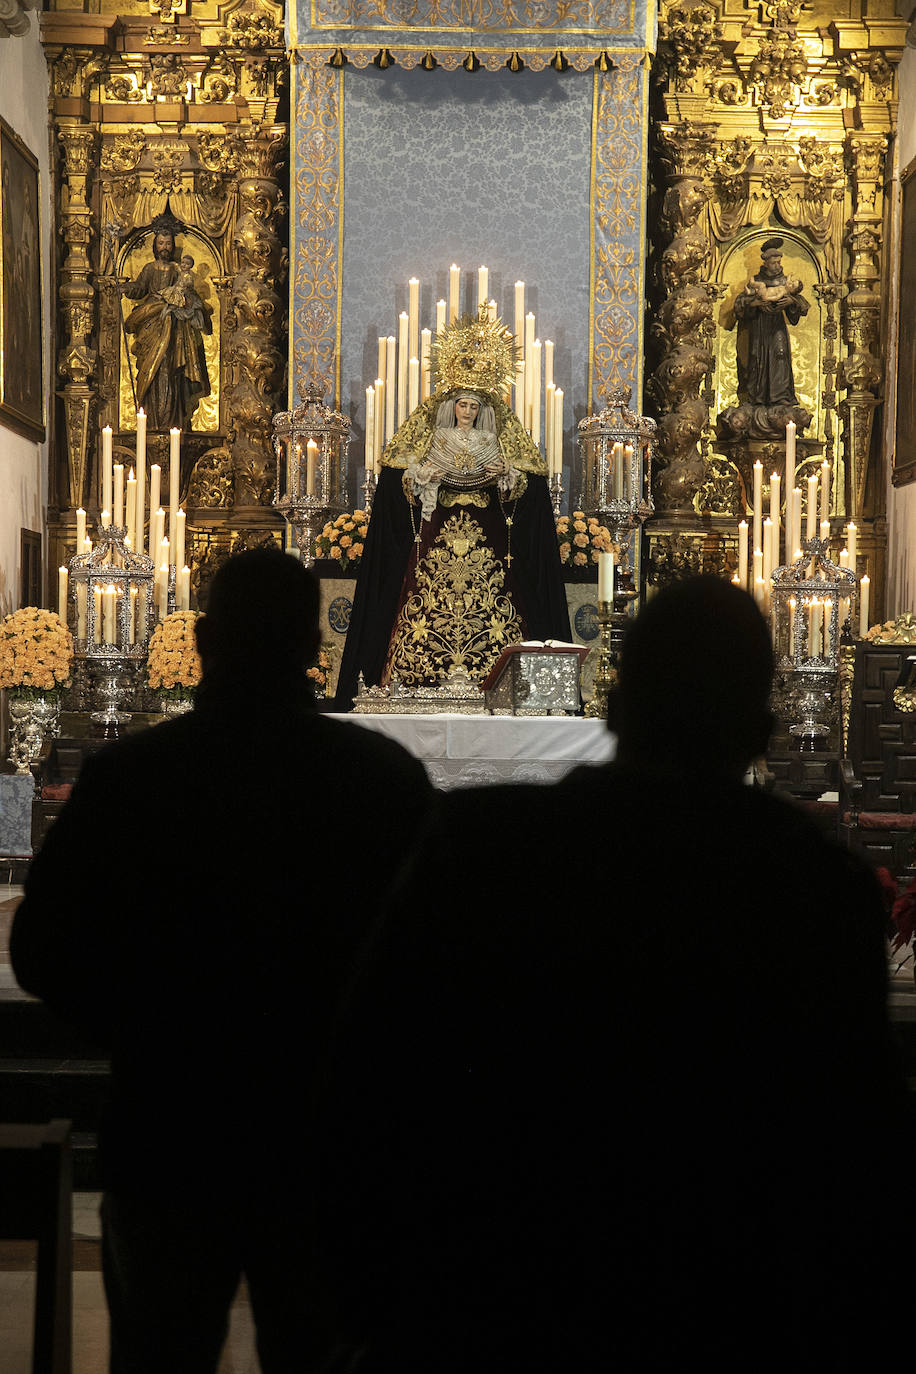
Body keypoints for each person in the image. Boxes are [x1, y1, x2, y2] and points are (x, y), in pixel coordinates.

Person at [323, 576, 913, 1371]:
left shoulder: (483, 845)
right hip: (725, 1309)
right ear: (759, 724)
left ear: (617, 702)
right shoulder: (817, 887)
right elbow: (857, 1151)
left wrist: (365, 1311)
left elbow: (371, 1073)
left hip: (497, 1302)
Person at [11, 546, 434, 1374]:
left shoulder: (134, 777)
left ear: (202, 640)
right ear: (317, 650)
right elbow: (431, 964)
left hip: (173, 1121)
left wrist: (141, 1025)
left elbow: (45, 950)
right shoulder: (382, 781)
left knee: (162, 1349)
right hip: (328, 1135)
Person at [335, 312, 570, 707]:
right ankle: (416, 681)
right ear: (452, 406)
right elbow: (407, 481)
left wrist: (504, 473)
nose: (467, 411)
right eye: (461, 404)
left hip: (485, 537)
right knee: (424, 599)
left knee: (495, 601)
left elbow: (522, 487)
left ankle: (497, 681)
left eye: (473, 406)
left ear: (481, 409)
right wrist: (425, 474)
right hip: (439, 534)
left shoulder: (492, 438)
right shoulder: (436, 435)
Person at [717, 236, 811, 441]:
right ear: (766, 263)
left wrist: (790, 302)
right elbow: (740, 306)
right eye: (774, 262)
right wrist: (757, 304)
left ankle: (781, 398)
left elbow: (801, 307)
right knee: (758, 360)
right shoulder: (757, 282)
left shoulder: (786, 283)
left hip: (776, 329)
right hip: (759, 331)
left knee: (779, 356)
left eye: (779, 262)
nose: (778, 265)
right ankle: (758, 398)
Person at [122, 228, 212, 432]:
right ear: (155, 246)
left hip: (172, 325)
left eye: (168, 243)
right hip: (151, 322)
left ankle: (173, 420)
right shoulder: (149, 268)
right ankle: (151, 418)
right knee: (149, 370)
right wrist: (126, 288)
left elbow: (186, 292)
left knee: (170, 369)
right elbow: (140, 288)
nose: (165, 247)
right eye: (161, 243)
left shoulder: (177, 270)